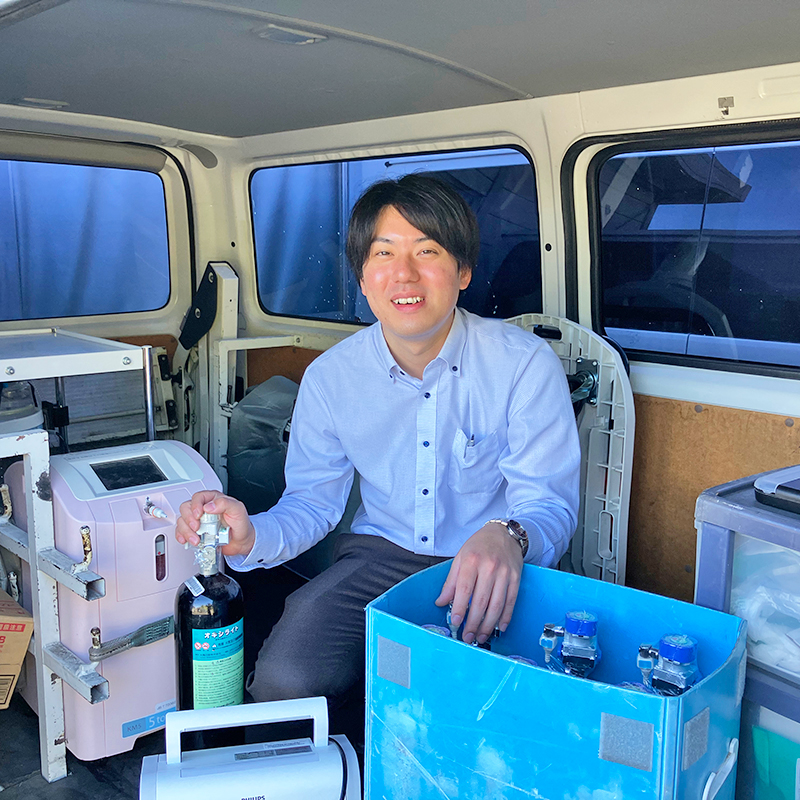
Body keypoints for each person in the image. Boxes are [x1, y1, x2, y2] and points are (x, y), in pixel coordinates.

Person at [176, 174, 581, 706]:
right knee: (284, 682)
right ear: (364, 280)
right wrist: (251, 535)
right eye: (384, 253)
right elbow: (312, 506)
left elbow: (549, 505)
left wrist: (510, 534)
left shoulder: (524, 364)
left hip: (492, 563)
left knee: (478, 704)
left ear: (463, 271)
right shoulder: (331, 378)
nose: (404, 273)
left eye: (427, 251)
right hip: (377, 560)